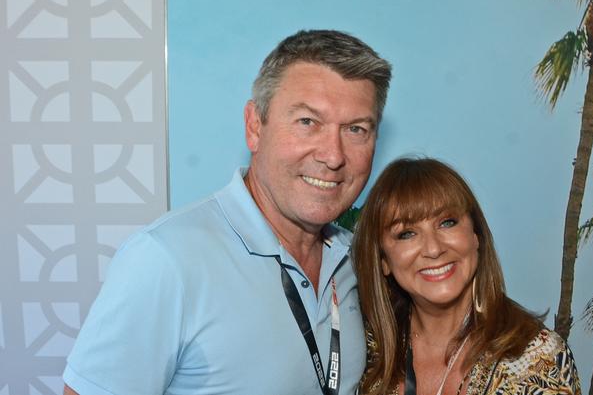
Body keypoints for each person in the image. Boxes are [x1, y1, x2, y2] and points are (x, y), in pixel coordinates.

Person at [62, 29, 392, 395]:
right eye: (307, 122)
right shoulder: (166, 260)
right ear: (254, 126)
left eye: (356, 129)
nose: (333, 155)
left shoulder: (355, 259)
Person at [353, 157, 581, 395]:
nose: (433, 249)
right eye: (407, 234)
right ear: (383, 261)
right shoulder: (364, 349)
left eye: (447, 222)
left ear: (476, 236)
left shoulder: (536, 359)